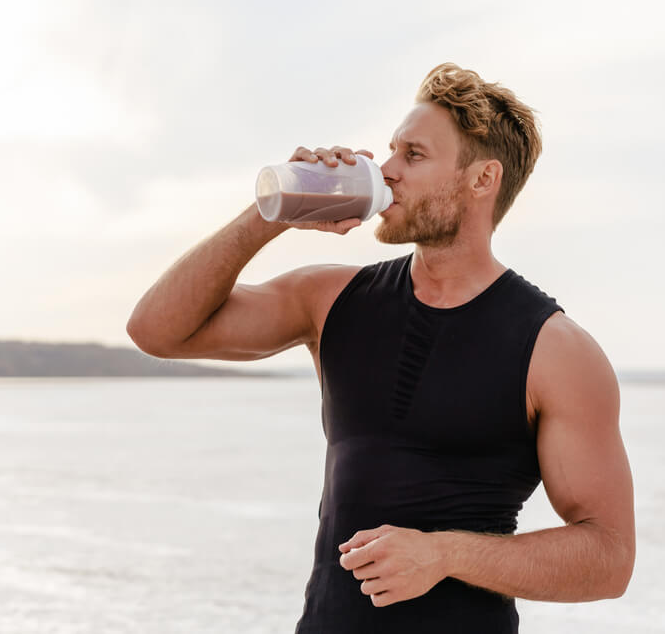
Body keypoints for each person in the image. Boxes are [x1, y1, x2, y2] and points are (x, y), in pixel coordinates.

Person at [126, 62, 635, 633]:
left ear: (482, 179)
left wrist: (445, 554)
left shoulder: (555, 350)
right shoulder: (330, 299)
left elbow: (609, 558)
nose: (386, 170)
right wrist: (276, 208)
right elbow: (157, 330)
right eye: (391, 151)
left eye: (413, 156)